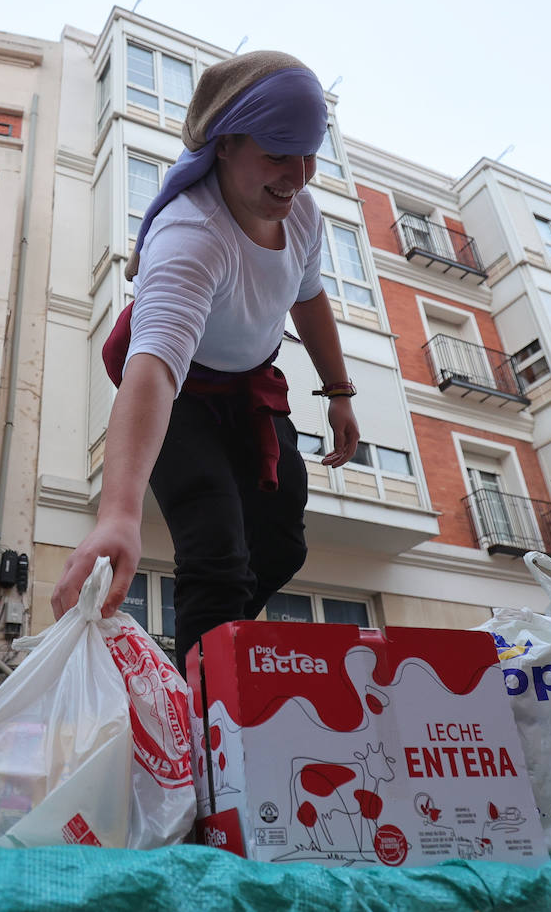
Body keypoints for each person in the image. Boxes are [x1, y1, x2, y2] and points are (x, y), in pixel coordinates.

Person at [52, 50, 360, 669]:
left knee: (280, 544)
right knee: (217, 553)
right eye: (277, 153)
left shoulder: (301, 213)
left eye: (309, 154)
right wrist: (119, 513)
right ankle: (207, 712)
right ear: (223, 144)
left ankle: (211, 655)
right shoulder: (191, 236)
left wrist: (340, 392)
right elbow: (155, 368)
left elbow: (308, 296)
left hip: (250, 389)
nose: (297, 175)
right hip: (181, 398)